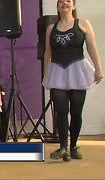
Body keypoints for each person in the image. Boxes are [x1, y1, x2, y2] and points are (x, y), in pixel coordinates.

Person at [43, 0, 103, 161]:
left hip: (78, 71)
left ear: (73, 6)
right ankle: (63, 147)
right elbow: (47, 53)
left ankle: (73, 145)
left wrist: (98, 69)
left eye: (68, 1)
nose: (64, 3)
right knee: (60, 111)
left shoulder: (83, 24)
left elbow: (91, 46)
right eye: (61, 1)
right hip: (57, 72)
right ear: (57, 6)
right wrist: (46, 75)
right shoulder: (50, 28)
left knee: (76, 112)